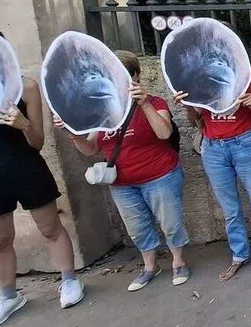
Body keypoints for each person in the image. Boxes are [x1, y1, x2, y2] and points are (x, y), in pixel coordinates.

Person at [57, 51, 190, 291]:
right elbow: (90, 149)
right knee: (137, 227)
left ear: (136, 76)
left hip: (160, 175)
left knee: (170, 222)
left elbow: (163, 133)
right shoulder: (102, 111)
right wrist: (72, 133)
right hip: (122, 183)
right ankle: (149, 266)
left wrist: (145, 103)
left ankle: (178, 261)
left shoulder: (156, 102)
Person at [0, 29, 83, 327]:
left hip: (25, 165)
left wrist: (22, 123)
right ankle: (8, 296)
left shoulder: (27, 87)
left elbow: (37, 142)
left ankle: (69, 280)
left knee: (50, 228)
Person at [175, 55, 251, 282]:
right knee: (229, 209)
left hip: (245, 143)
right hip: (213, 148)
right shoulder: (199, 75)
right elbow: (195, 117)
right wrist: (187, 104)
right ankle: (238, 255)